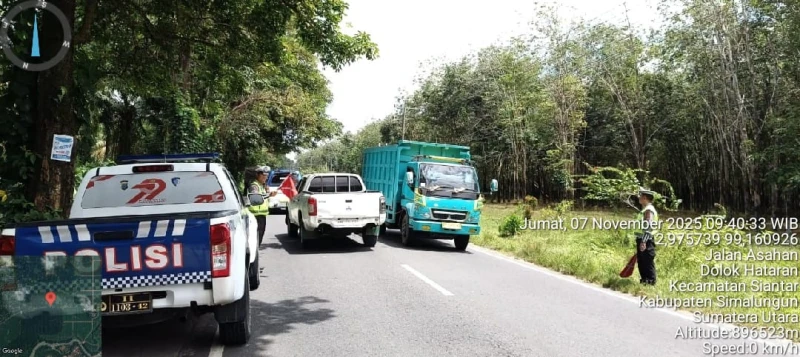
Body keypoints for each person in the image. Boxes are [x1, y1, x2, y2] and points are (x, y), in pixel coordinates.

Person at [636, 187, 659, 285]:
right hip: (642, 239)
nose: (639, 198)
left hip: (646, 240)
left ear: (645, 198)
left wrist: (644, 241)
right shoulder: (645, 209)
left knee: (647, 262)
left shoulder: (649, 210)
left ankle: (650, 282)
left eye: (640, 196)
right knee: (642, 262)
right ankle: (644, 282)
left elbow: (648, 226)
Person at [248, 167, 271, 244]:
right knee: (256, 237)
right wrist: (269, 195)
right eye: (263, 175)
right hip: (255, 215)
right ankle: (254, 254)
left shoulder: (262, 186)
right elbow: (255, 198)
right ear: (257, 175)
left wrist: (268, 193)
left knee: (260, 236)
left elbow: (265, 198)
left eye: (266, 176)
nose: (265, 177)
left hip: (261, 215)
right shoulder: (254, 185)